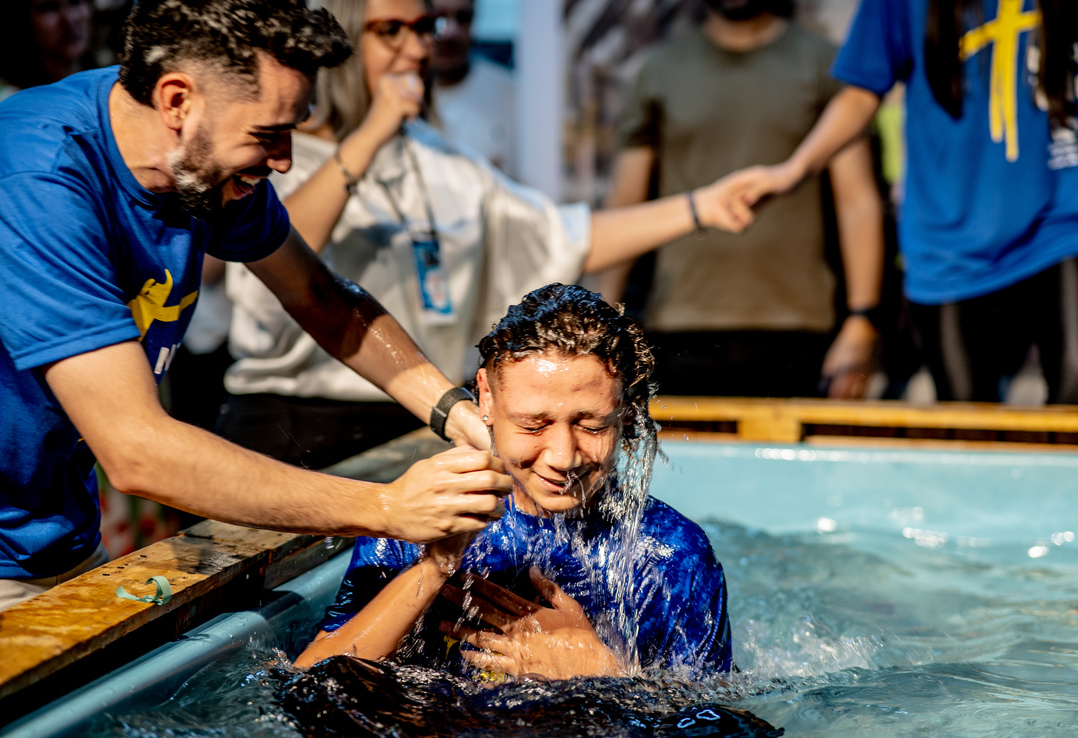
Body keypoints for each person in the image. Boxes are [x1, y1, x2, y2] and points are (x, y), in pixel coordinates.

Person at [0, 0, 512, 612]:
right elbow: (138, 451)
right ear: (176, 101)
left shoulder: (201, 161)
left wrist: (458, 417)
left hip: (53, 532)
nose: (285, 160)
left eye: (294, 128)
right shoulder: (36, 178)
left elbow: (321, 297)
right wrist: (386, 507)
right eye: (268, 135)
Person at [218, 0, 761, 470]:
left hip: (420, 411)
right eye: (391, 30)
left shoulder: (437, 153)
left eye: (424, 27)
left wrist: (700, 207)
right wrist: (373, 134)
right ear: (341, 40)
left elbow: (563, 235)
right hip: (299, 423)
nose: (418, 46)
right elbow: (274, 251)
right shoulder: (280, 156)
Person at [744, 0, 1078, 404]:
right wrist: (795, 169)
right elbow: (863, 89)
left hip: (1063, 217)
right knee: (967, 416)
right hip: (949, 236)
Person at [296, 284, 733, 679]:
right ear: (486, 396)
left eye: (593, 425)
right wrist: (435, 567)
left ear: (625, 412)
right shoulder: (421, 516)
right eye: (533, 424)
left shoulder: (670, 555)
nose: (563, 457)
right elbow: (312, 678)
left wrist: (609, 673)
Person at [594, 0, 886, 400]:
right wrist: (606, 318)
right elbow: (625, 205)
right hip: (680, 325)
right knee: (677, 463)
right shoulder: (661, 71)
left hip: (799, 328)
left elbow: (858, 199)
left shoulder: (824, 65)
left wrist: (862, 316)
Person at [430, 0, 518, 177]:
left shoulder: (512, 92)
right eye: (439, 18)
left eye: (463, 18)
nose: (451, 32)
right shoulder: (398, 101)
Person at [0, 0, 95, 101]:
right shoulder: (9, 100)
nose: (69, 19)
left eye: (75, 2)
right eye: (49, 8)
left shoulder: (106, 84)